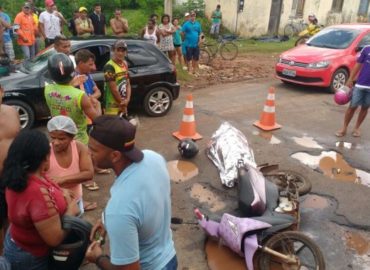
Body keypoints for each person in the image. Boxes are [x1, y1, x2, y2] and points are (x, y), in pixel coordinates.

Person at [85, 115, 177, 270]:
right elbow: (143, 201)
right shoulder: (154, 158)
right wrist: (105, 219)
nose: (88, 153)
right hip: (170, 257)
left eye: (93, 150)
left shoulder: (119, 211)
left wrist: (98, 258)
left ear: (115, 155)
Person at [1, 130, 80, 270]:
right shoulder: (36, 194)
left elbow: (43, 185)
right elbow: (54, 239)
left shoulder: (18, 175)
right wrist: (70, 213)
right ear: (44, 158)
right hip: (31, 256)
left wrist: (60, 191)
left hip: (18, 241)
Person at [44, 52, 100, 144]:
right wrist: (97, 106)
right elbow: (97, 120)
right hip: (79, 142)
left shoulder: (47, 90)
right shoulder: (80, 95)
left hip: (59, 140)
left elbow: (61, 89)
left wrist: (71, 83)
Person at [46, 115, 95, 214]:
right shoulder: (45, 151)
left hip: (76, 199)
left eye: (61, 139)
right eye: (53, 138)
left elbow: (89, 173)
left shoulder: (79, 148)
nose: (56, 143)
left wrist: (62, 180)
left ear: (72, 137)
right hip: (52, 203)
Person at [0, 85, 20, 254]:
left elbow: (18, 142)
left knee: (13, 218)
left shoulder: (12, 111)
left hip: (12, 176)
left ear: (2, 91)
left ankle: (8, 255)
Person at [336, 46, 370, 138]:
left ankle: (357, 128)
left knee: (365, 107)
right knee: (352, 107)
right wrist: (350, 79)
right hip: (360, 84)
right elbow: (358, 65)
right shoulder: (367, 49)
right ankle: (344, 128)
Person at [103, 39, 131, 116]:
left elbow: (128, 83)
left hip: (123, 102)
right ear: (113, 50)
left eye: (123, 51)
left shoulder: (125, 64)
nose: (120, 53)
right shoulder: (109, 66)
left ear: (126, 52)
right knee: (114, 127)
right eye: (118, 50)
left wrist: (127, 100)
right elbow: (113, 89)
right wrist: (122, 103)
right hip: (112, 105)